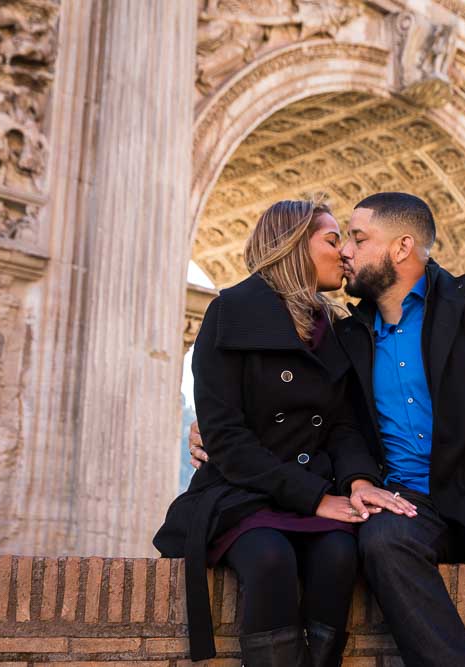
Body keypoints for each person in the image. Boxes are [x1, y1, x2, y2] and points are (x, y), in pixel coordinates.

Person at [191, 192, 465, 667]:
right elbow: (326, 421)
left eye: (358, 238)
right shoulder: (345, 337)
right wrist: (208, 428)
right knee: (383, 544)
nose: (346, 251)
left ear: (401, 247)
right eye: (341, 239)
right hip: (404, 501)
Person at [156, 199, 416, 666]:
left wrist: (358, 482)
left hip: (315, 485)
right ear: (293, 245)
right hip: (241, 492)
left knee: (338, 555)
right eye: (333, 240)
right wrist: (315, 497)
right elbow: (226, 438)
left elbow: (342, 425)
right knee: (269, 558)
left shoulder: (337, 329)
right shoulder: (229, 313)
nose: (345, 254)